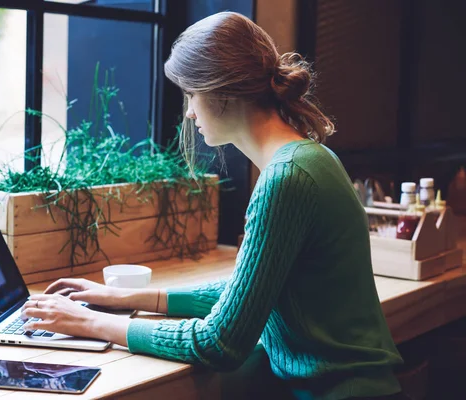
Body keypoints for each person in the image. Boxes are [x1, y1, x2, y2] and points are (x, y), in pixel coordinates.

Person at [21, 11, 406, 399]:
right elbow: (253, 289)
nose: (189, 111)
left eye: (191, 94)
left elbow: (219, 342)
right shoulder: (314, 158)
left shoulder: (286, 180)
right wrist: (124, 298)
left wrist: (91, 324)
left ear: (221, 92)